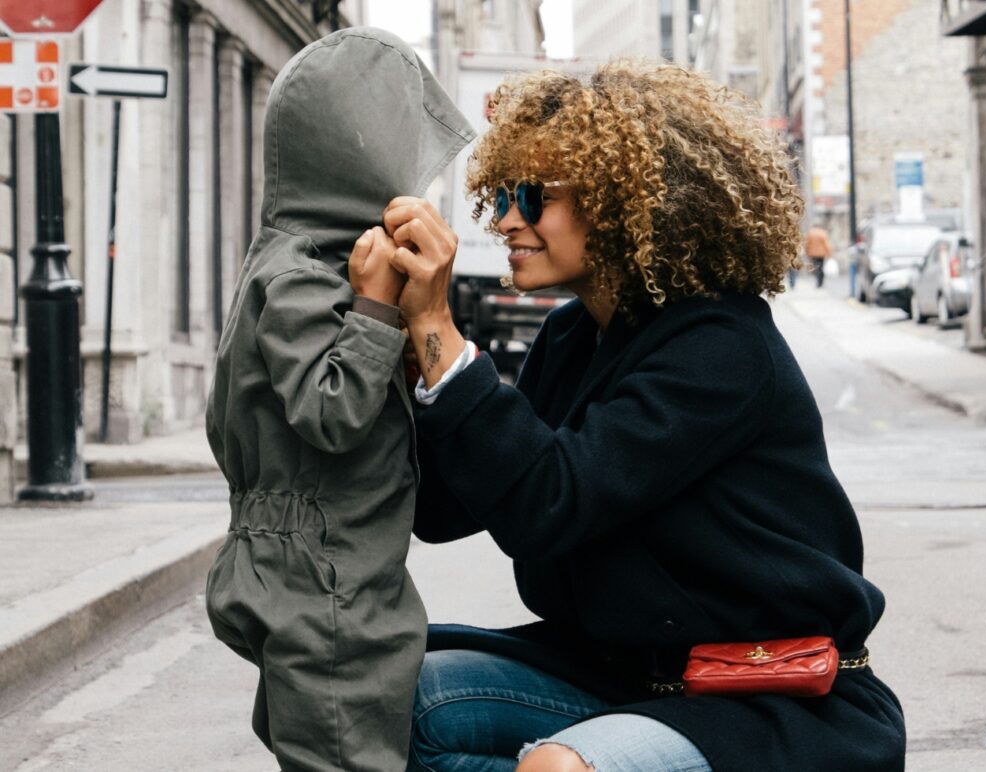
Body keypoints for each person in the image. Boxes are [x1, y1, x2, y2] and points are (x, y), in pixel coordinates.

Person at [383, 60, 905, 771]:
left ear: (625, 203)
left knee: (562, 768)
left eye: (534, 196)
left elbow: (549, 501)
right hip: (625, 679)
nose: (506, 219)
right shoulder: (573, 339)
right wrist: (415, 358)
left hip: (771, 698)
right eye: (503, 193)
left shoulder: (721, 349)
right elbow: (448, 509)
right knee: (385, 705)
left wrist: (443, 334)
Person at [203, 28, 474, 771]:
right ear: (356, 154)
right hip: (326, 582)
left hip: (322, 571)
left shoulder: (305, 259)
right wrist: (378, 309)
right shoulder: (303, 274)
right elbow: (332, 412)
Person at [805, 222, 833, 289]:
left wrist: (807, 253)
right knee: (821, 267)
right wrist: (829, 253)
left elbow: (807, 244)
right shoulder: (823, 233)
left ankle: (818, 281)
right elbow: (826, 244)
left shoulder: (810, 233)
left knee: (816, 268)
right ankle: (820, 282)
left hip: (813, 253)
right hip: (821, 254)